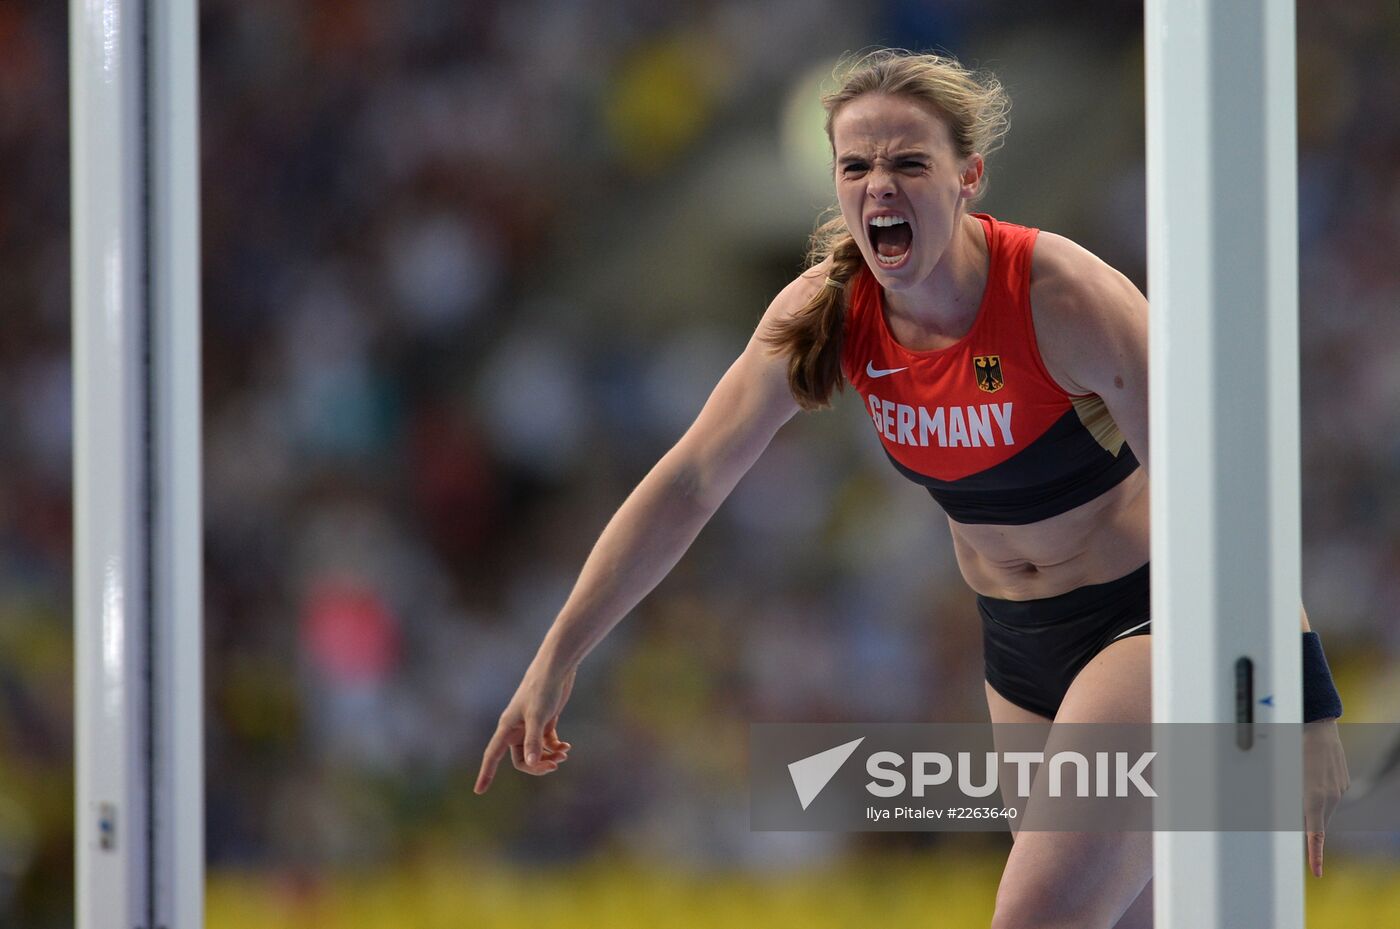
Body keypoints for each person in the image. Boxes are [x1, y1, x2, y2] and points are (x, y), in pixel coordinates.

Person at [474, 49, 1347, 929]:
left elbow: (1226, 494)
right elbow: (691, 481)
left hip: (1146, 621)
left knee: (1035, 915)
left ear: (968, 177)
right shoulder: (828, 314)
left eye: (908, 163)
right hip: (1018, 653)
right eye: (856, 166)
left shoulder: (1062, 296)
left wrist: (1305, 696)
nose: (878, 186)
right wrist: (560, 652)